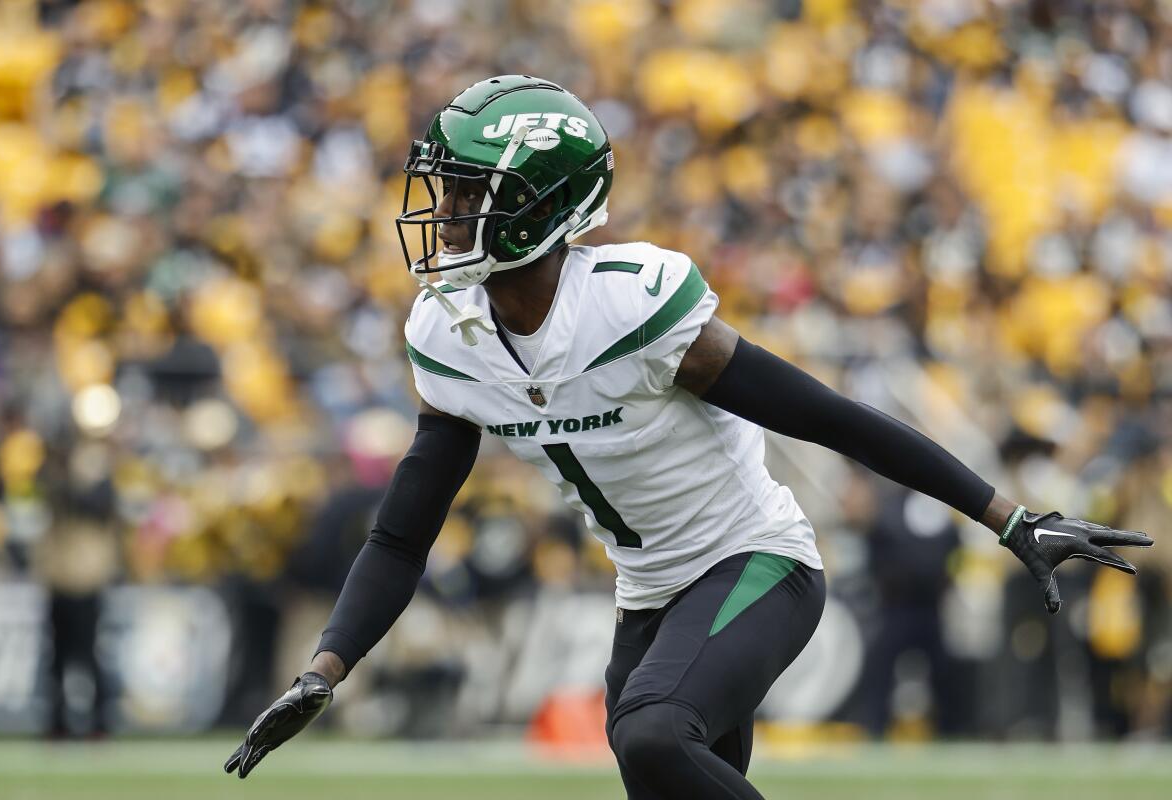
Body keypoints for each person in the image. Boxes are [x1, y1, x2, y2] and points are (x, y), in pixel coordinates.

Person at [224, 76, 1153, 798]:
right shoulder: (450, 339)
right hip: (650, 597)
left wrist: (1007, 517)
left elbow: (830, 419)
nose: (448, 214)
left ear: (542, 207)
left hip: (757, 562)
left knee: (651, 732)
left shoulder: (631, 301)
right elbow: (400, 534)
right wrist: (324, 671)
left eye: (471, 194)